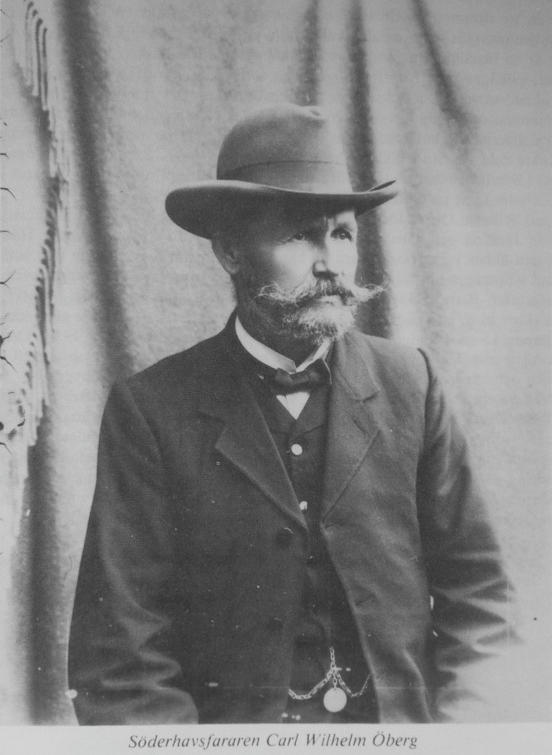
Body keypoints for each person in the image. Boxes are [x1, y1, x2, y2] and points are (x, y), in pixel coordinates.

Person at [69, 103, 518, 725]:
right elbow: (121, 658)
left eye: (343, 234)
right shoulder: (151, 410)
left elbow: (484, 611)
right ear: (231, 251)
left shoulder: (412, 384)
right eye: (300, 235)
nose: (331, 263)